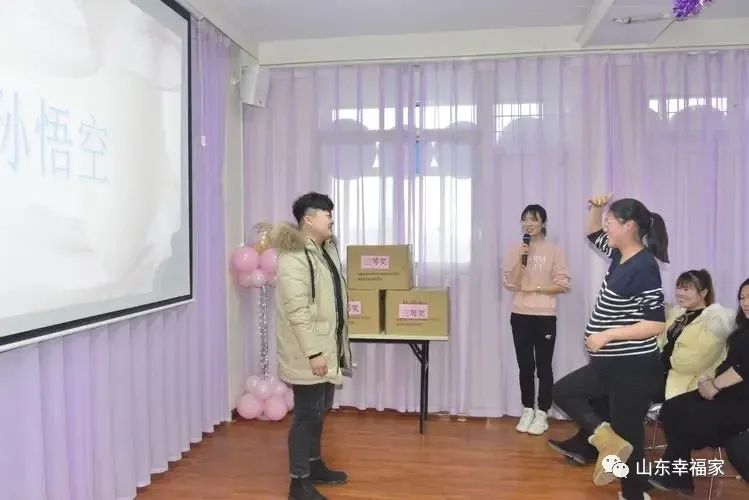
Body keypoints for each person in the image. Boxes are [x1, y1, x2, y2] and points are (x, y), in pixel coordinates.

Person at [548, 269, 734, 465]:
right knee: (605, 387)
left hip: (680, 381)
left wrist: (651, 357)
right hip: (655, 372)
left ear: (703, 293)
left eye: (686, 289)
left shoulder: (713, 323)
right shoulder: (677, 315)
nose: (680, 293)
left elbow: (691, 362)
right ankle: (591, 445)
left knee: (621, 389)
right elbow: (655, 343)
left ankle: (612, 453)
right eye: (678, 287)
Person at [552, 194, 669, 500]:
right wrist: (595, 207)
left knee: (629, 435)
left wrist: (607, 336)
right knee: (564, 392)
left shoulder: (644, 266)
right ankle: (607, 442)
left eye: (611, 222)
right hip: (610, 364)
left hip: (633, 367)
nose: (605, 227)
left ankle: (633, 493)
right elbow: (592, 232)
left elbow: (655, 324)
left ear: (629, 226)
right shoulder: (619, 254)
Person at [270, 192, 353, 500]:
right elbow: (297, 310)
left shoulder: (325, 249)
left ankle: (315, 466)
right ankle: (298, 482)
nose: (331, 218)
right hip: (308, 351)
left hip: (327, 345)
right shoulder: (294, 256)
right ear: (308, 219)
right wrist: (314, 353)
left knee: (319, 411)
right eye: (326, 213)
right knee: (306, 416)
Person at [649, 278, 749, 495]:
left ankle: (676, 474)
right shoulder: (743, 329)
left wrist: (715, 385)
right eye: (742, 298)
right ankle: (677, 475)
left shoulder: (712, 321)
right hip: (725, 390)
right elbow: (728, 362)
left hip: (741, 401)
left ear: (703, 292)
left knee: (684, 416)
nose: (745, 303)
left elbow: (743, 369)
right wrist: (708, 380)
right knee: (673, 408)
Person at [503, 204, 571, 435]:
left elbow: (563, 284)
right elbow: (510, 282)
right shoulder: (516, 249)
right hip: (520, 314)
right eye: (525, 219)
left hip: (545, 316)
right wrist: (521, 259)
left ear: (543, 223)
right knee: (525, 365)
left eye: (533, 219)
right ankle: (527, 409)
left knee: (543, 366)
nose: (528, 223)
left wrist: (537, 288)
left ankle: (542, 412)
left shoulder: (554, 250)